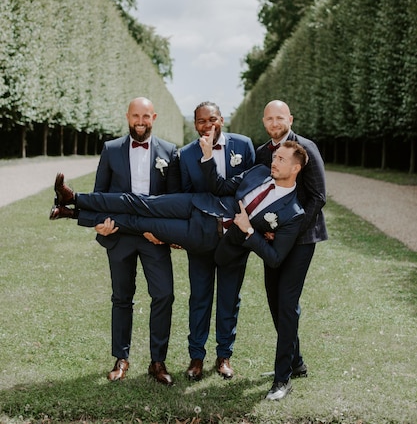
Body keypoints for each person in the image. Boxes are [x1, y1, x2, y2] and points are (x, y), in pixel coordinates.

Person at [50, 141, 307, 273]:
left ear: (295, 168)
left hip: (207, 235)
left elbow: (274, 259)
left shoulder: (293, 212)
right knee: (137, 202)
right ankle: (74, 198)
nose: (274, 162)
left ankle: (72, 214)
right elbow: (222, 187)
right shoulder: (260, 171)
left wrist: (250, 232)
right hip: (198, 202)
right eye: (275, 157)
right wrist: (207, 159)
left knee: (142, 224)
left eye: (281, 160)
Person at [83, 96, 181, 386]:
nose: (140, 122)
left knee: (164, 295)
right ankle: (121, 358)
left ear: (154, 117)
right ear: (128, 116)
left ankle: (157, 361)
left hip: (154, 238)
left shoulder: (169, 151)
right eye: (135, 116)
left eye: (146, 116)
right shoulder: (111, 149)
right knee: (121, 298)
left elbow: (173, 201)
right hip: (120, 236)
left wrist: (161, 231)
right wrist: (101, 225)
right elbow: (100, 193)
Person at [254, 100, 328, 401]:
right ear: (264, 121)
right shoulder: (261, 154)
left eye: (280, 118)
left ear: (290, 119)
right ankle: (296, 362)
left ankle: (282, 378)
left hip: (301, 239)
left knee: (287, 302)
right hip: (271, 239)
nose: (275, 123)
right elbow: (260, 194)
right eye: (269, 118)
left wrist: (291, 230)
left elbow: (319, 196)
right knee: (275, 302)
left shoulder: (306, 148)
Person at [179, 101, 255, 381]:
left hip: (234, 239)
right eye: (201, 121)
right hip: (200, 239)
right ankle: (196, 357)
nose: (207, 125)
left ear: (222, 119)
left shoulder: (244, 146)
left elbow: (253, 190)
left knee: (229, 298)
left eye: (212, 119)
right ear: (195, 124)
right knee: (199, 298)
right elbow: (184, 198)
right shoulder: (185, 154)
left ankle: (224, 356)